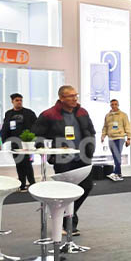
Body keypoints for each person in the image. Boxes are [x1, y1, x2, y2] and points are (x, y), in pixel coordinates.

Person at [33, 85, 96, 234]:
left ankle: (67, 216)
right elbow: (37, 136)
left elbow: (90, 131)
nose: (75, 98)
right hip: (62, 159)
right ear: (61, 98)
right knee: (66, 190)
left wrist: (91, 148)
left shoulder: (82, 112)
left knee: (87, 186)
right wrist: (48, 151)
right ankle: (68, 223)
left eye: (76, 95)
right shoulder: (49, 115)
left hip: (82, 157)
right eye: (71, 96)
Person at [2, 93, 37, 191]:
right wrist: (3, 139)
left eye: (21, 100)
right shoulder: (9, 114)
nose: (19, 102)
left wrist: (34, 139)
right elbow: (5, 127)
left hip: (27, 142)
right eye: (17, 100)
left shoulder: (29, 113)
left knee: (27, 163)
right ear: (12, 101)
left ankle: (32, 183)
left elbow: (36, 125)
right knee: (19, 164)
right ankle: (22, 184)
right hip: (15, 142)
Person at [101, 99, 131, 181]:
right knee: (115, 156)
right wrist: (103, 136)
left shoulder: (123, 115)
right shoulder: (107, 115)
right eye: (112, 104)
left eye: (115, 104)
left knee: (117, 155)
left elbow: (127, 126)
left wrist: (129, 138)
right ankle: (118, 173)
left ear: (118, 105)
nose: (114, 106)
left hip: (120, 138)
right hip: (111, 138)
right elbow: (105, 127)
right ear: (110, 105)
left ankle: (117, 173)